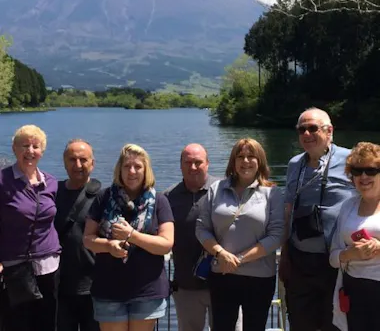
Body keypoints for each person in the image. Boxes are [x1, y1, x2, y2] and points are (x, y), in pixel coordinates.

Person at [83, 143, 174, 331]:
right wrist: (109, 246)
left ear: (146, 170)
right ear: (119, 169)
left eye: (138, 166)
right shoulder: (104, 197)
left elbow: (166, 244)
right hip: (108, 290)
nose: (132, 171)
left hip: (147, 291)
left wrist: (131, 235)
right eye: (127, 166)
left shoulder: (159, 200)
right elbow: (87, 239)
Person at [196, 138, 284, 331]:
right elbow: (202, 229)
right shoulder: (216, 189)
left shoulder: (272, 193)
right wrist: (220, 253)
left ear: (259, 161)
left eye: (251, 156)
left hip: (259, 278)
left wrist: (238, 259)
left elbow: (276, 236)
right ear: (233, 162)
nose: (245, 161)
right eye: (240, 156)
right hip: (222, 274)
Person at [281, 108, 355, 331]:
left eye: (312, 128)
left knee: (335, 324)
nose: (306, 134)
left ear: (329, 131)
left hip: (337, 262)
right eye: (301, 129)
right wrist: (285, 254)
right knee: (300, 324)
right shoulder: (295, 164)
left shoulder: (351, 160)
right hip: (300, 261)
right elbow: (288, 210)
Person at [0, 125, 60, 331]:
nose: (30, 151)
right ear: (15, 149)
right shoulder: (2, 180)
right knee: (16, 324)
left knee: (47, 323)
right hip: (14, 269)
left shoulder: (51, 182)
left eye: (35, 146)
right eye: (24, 145)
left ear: (42, 151)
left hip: (48, 266)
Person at [164, 143, 217, 331]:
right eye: (187, 162)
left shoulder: (223, 191)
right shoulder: (168, 197)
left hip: (223, 284)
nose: (193, 167)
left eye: (198, 162)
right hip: (186, 287)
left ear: (208, 164)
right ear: (180, 165)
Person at [330, 142, 380, 331]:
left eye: (371, 170)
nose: (364, 176)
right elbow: (333, 257)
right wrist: (350, 254)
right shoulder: (347, 207)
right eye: (357, 171)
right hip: (354, 290)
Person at [54, 139, 101, 331]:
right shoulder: (51, 193)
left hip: (95, 288)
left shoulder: (104, 197)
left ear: (93, 163)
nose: (78, 165)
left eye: (83, 159)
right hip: (59, 288)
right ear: (64, 162)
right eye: (72, 159)